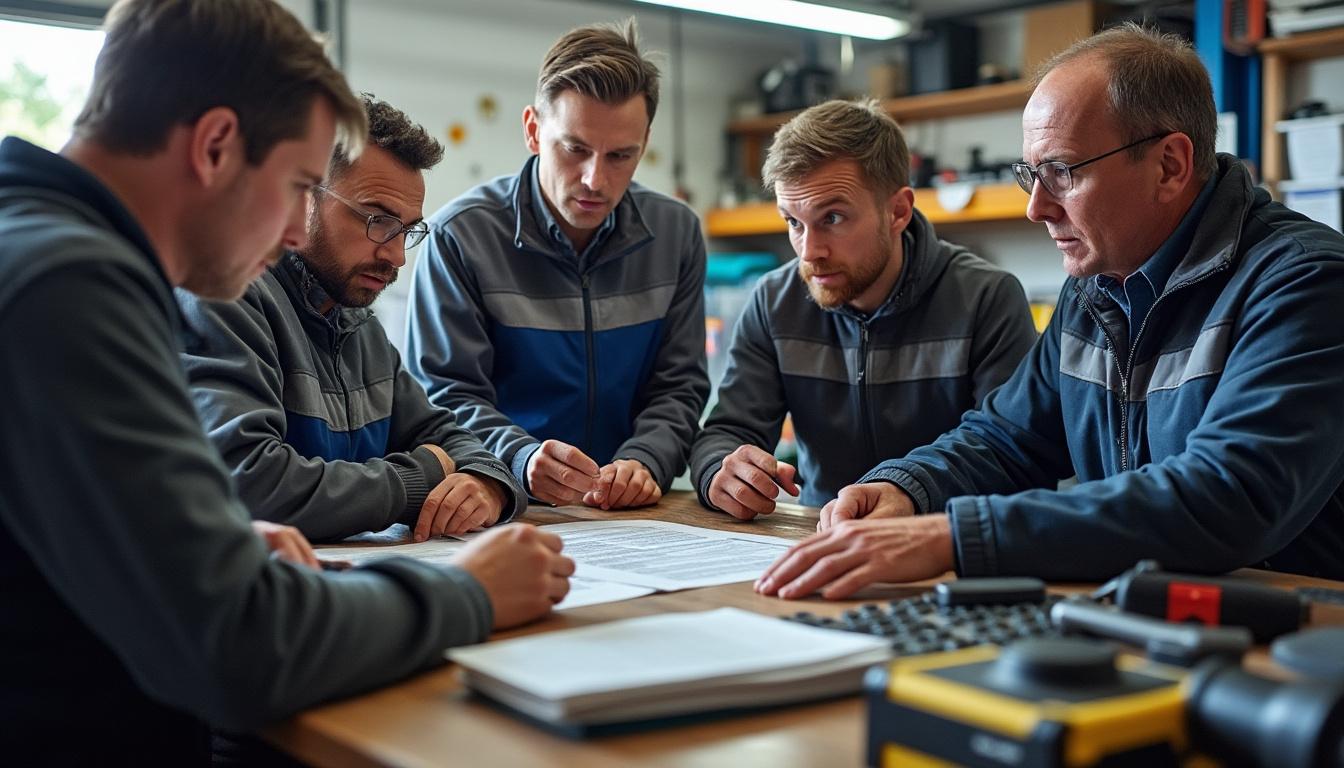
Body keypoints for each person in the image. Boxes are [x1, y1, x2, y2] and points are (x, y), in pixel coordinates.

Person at [0, 1, 571, 763]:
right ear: (215, 146)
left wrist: (212, 540)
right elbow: (241, 649)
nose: (298, 233)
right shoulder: (69, 287)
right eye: (299, 183)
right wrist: (471, 592)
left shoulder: (38, 248)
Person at [757, 23, 1344, 601]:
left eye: (1062, 172)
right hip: (1160, 610)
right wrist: (907, 488)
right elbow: (1009, 438)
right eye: (1031, 175)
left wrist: (954, 538)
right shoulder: (1097, 284)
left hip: (1300, 638)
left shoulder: (1304, 283)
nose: (1038, 207)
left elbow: (1227, 497)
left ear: (1169, 164)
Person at [179, 94, 524, 544]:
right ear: (304, 195)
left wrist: (486, 483)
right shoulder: (224, 294)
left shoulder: (358, 324)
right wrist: (418, 479)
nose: (396, 256)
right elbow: (250, 483)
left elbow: (444, 433)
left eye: (408, 230)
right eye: (378, 220)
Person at [406, 20, 708, 511]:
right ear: (533, 130)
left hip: (639, 512)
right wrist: (520, 459)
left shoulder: (676, 234)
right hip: (505, 503)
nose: (595, 178)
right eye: (575, 149)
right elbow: (445, 395)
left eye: (620, 156)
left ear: (645, 142)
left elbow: (680, 385)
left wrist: (646, 459)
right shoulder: (460, 236)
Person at [689, 99, 1036, 517]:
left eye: (832, 218)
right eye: (793, 222)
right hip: (820, 538)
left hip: (947, 545)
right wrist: (720, 472)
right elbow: (728, 430)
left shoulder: (988, 299)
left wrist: (905, 490)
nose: (809, 252)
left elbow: (1010, 452)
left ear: (898, 211)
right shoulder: (773, 301)